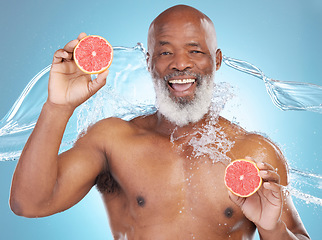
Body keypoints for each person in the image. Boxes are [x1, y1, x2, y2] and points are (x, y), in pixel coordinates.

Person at [10, 4, 310, 240]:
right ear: (149, 62)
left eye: (195, 50)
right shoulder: (112, 140)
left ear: (216, 60)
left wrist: (272, 229)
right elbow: (29, 203)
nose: (180, 63)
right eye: (165, 52)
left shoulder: (255, 155)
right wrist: (57, 107)